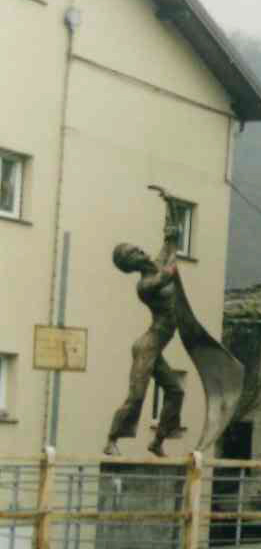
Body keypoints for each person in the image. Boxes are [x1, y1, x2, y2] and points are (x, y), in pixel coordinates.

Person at [104, 187, 186, 456]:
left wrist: (171, 204)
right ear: (131, 265)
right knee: (137, 396)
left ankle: (158, 440)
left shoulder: (157, 264)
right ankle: (112, 439)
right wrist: (172, 244)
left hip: (156, 347)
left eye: (137, 248)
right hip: (147, 346)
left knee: (176, 391)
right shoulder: (146, 284)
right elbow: (170, 269)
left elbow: (171, 239)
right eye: (134, 254)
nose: (140, 251)